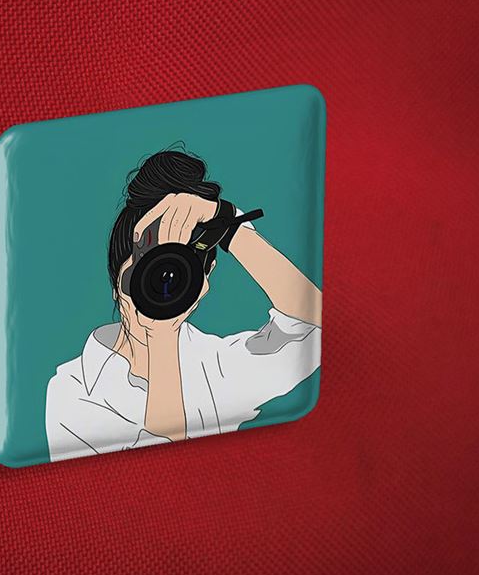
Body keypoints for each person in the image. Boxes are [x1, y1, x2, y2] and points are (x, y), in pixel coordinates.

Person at [45, 149, 321, 462]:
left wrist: (228, 223)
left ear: (204, 279)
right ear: (116, 281)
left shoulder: (216, 365)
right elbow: (165, 466)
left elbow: (314, 325)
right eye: (145, 273)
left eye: (175, 274)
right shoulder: (72, 390)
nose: (159, 287)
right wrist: (160, 338)